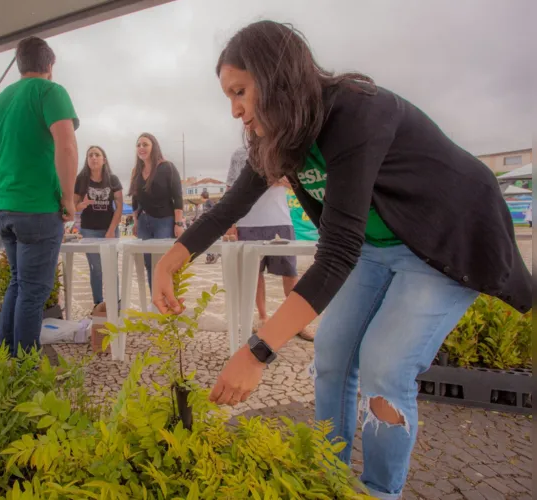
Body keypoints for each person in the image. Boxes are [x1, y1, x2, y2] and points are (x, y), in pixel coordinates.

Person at [150, 21, 531, 500]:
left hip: (445, 240)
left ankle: (377, 491)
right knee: (331, 353)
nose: (236, 111)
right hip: (377, 246)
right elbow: (231, 205)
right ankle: (325, 474)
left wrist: (258, 351)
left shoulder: (356, 112)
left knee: (385, 366)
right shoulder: (278, 136)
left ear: (276, 77)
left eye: (241, 92)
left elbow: (335, 255)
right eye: (229, 96)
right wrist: (170, 263)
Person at [0, 35, 78, 357]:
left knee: (17, 284)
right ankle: (25, 368)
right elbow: (66, 146)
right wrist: (68, 199)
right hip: (37, 208)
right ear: (49, 66)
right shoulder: (51, 91)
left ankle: (6, 359)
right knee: (33, 292)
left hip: (4, 207)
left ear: (20, 65)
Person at [224, 146, 311, 340]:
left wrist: (276, 178)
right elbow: (230, 188)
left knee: (290, 273)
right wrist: (231, 223)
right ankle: (262, 317)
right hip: (248, 222)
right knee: (255, 274)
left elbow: (296, 182)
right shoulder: (239, 155)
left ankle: (297, 322)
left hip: (280, 221)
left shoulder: (282, 148)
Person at [128, 133, 185, 291]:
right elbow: (135, 199)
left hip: (164, 221)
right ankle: (156, 301)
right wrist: (136, 222)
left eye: (145, 144)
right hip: (143, 223)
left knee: (163, 263)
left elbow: (177, 197)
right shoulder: (136, 172)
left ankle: (168, 305)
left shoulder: (167, 167)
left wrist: (178, 223)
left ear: (154, 146)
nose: (141, 148)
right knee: (148, 263)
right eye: (138, 145)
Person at [74, 145, 123, 307]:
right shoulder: (81, 180)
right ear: (87, 160)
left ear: (104, 159)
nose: (93, 158)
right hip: (89, 230)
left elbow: (119, 207)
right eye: (90, 155)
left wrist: (111, 231)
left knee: (111, 268)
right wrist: (82, 205)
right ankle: (98, 303)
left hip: (109, 229)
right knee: (96, 269)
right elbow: (73, 206)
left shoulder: (113, 179)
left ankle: (115, 303)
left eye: (97, 155)